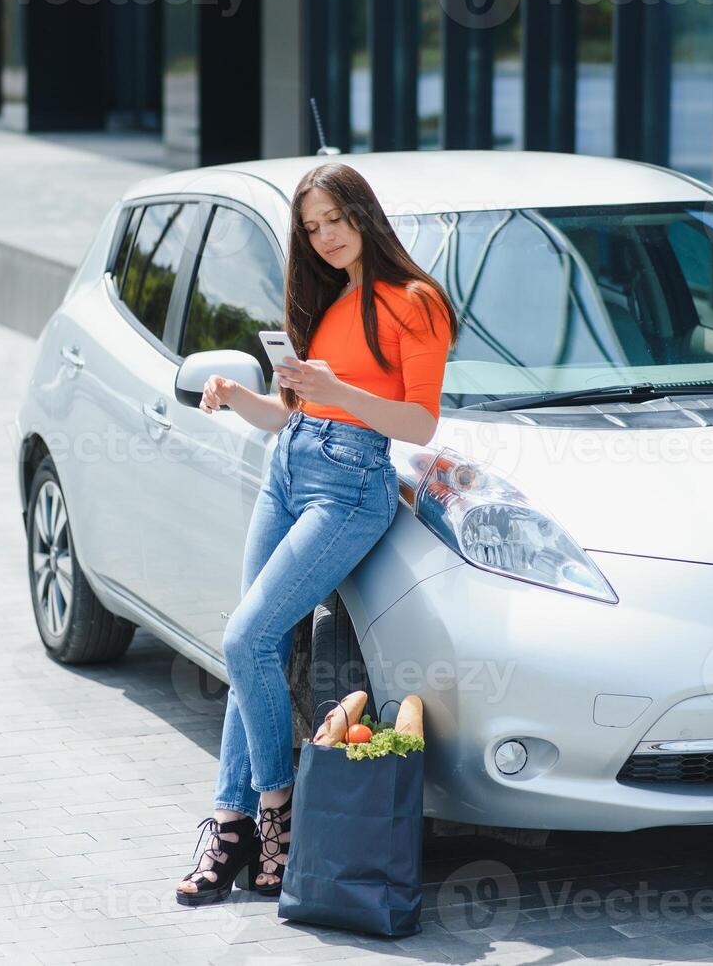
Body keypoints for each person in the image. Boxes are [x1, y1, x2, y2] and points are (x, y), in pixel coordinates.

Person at [174, 162, 459, 906]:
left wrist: (339, 392)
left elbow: (421, 422)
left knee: (245, 641)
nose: (325, 237)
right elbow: (290, 412)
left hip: (352, 485)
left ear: (363, 214)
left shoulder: (416, 302)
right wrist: (241, 398)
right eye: (312, 228)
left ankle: (274, 812)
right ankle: (231, 822)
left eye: (335, 219)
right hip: (288, 467)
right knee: (253, 643)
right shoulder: (325, 302)